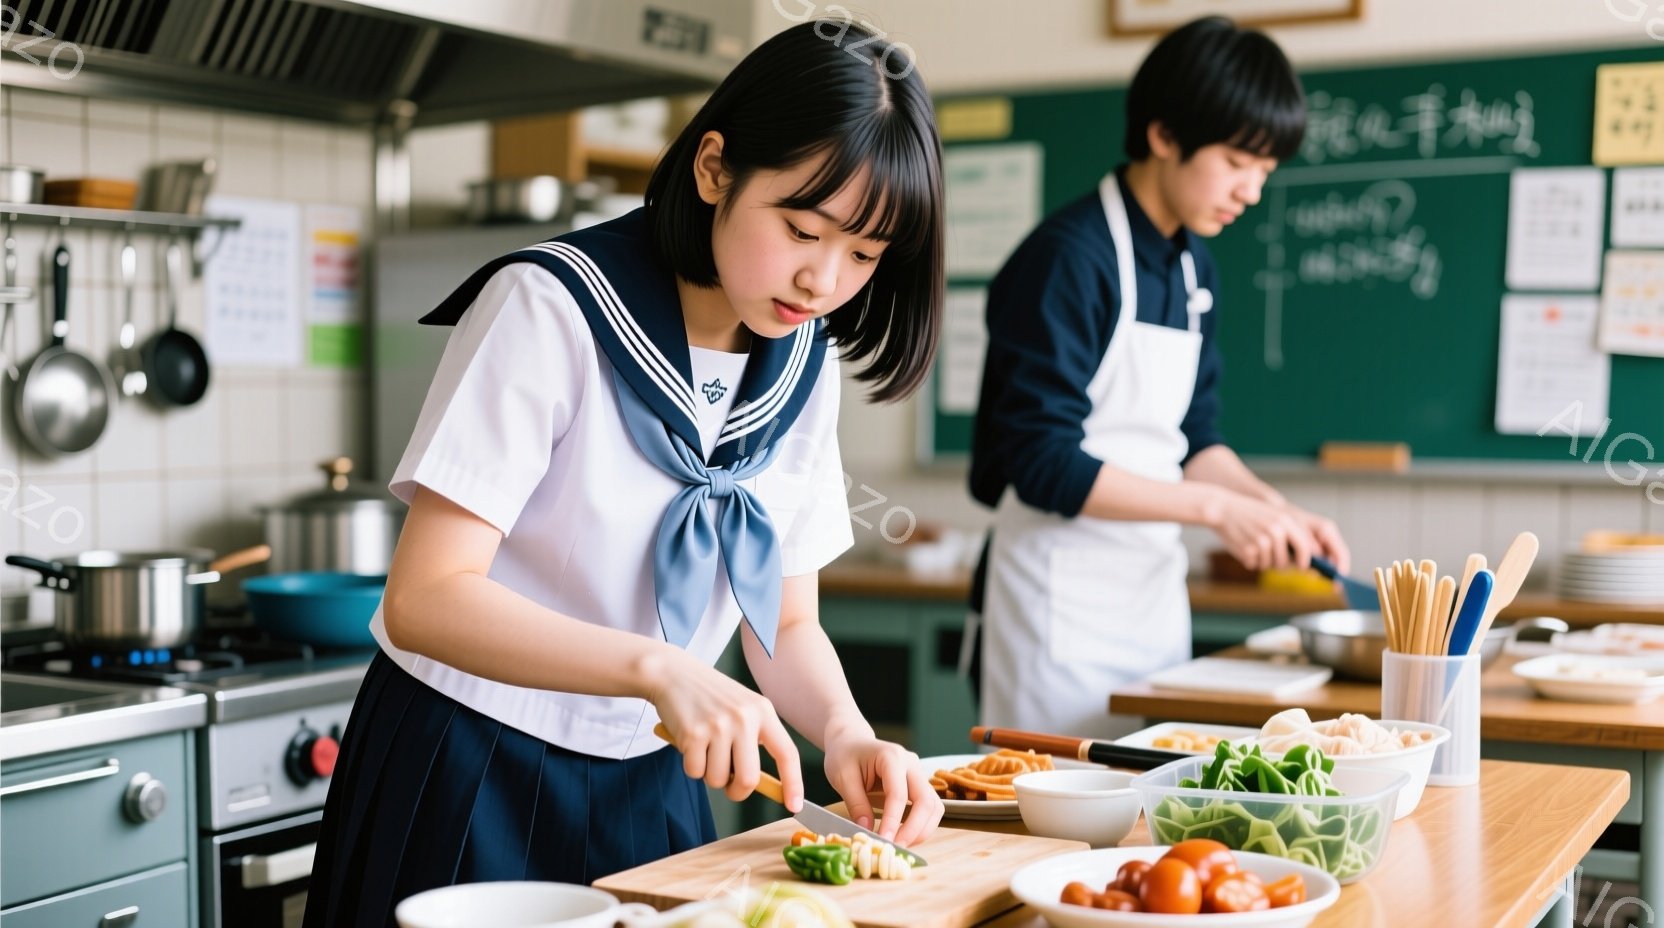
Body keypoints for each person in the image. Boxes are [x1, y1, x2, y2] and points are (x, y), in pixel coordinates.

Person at [302, 21, 946, 926]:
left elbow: (786, 619)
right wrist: (658, 669)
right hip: (468, 759)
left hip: (654, 776)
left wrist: (845, 732)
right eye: (803, 229)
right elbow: (425, 597)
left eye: (865, 255)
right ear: (714, 168)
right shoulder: (549, 306)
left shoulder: (805, 361)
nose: (823, 279)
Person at [966, 16, 1351, 740]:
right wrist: (1215, 511)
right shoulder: (1068, 259)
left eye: (1265, 171)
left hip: (1147, 599)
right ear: (1165, 135)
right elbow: (1041, 461)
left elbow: (1194, 437)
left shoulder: (1193, 267)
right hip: (1057, 606)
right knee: (1052, 799)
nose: (1251, 191)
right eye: (1237, 162)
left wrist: (1272, 509)